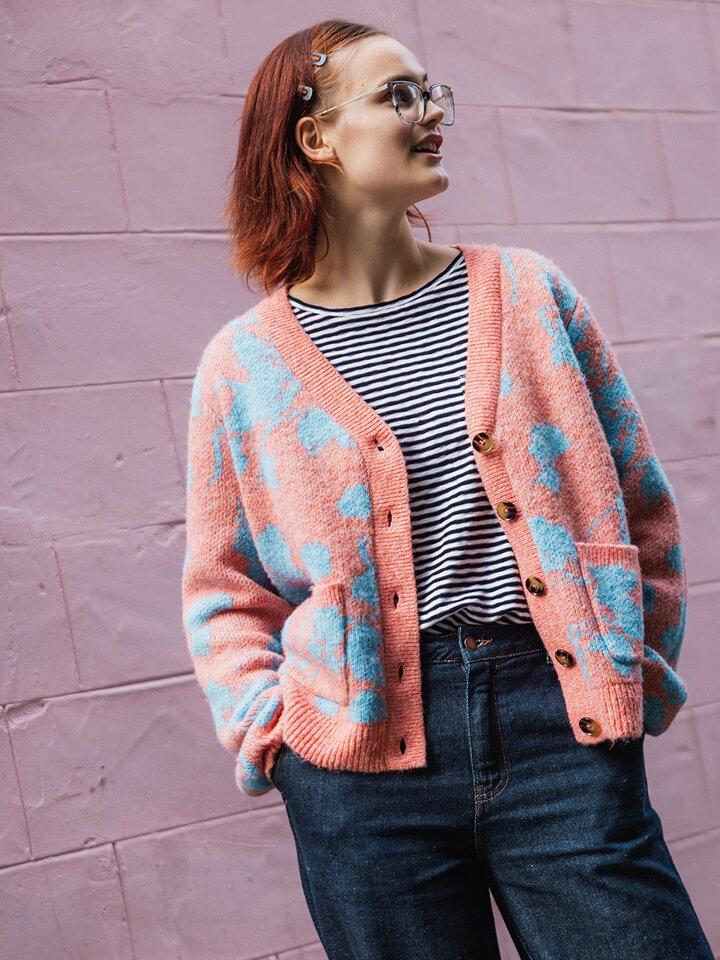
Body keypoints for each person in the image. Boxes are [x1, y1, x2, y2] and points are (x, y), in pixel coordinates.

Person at [181, 18, 714, 960]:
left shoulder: (528, 292)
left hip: (558, 726)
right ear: (316, 138)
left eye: (434, 94)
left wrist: (631, 665)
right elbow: (224, 589)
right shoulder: (243, 365)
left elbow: (641, 504)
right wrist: (271, 731)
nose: (431, 115)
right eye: (397, 96)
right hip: (356, 765)